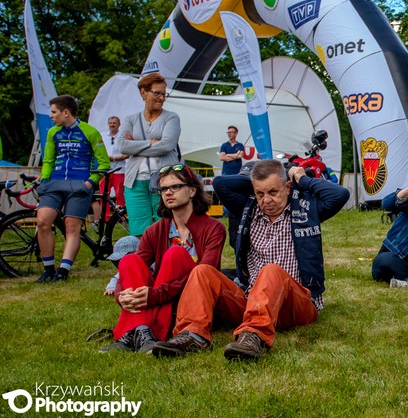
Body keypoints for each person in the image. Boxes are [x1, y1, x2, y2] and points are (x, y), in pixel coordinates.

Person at [152, 159, 349, 360]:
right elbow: (220, 183)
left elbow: (340, 195)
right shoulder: (249, 209)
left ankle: (254, 335)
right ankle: (192, 334)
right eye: (260, 193)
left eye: (273, 192)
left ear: (287, 187)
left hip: (296, 302)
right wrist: (255, 179)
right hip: (253, 301)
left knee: (271, 270)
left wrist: (299, 177)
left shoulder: (305, 209)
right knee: (202, 272)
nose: (267, 200)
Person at [100, 165, 226, 353]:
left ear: (192, 190)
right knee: (129, 261)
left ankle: (151, 331)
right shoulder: (156, 230)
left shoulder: (214, 228)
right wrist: (121, 294)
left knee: (176, 253)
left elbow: (206, 272)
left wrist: (157, 294)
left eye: (175, 187)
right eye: (164, 189)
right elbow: (132, 270)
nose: (168, 192)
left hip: (193, 300)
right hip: (159, 297)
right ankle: (139, 331)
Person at [34, 95, 110, 283]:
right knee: (43, 221)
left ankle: (63, 271)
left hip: (80, 185)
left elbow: (104, 163)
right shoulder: (53, 133)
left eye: (54, 112)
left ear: (65, 112)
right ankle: (49, 269)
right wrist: (44, 180)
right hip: (54, 184)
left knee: (72, 226)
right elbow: (49, 160)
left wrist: (89, 183)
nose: (51, 116)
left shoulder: (90, 132)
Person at [118, 73, 181, 237]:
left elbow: (167, 145)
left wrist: (135, 145)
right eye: (157, 93)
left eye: (163, 94)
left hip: (163, 180)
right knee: (139, 229)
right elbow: (122, 146)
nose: (161, 98)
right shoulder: (130, 119)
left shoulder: (171, 118)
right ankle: (146, 262)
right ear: (143, 92)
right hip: (135, 181)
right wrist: (150, 142)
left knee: (166, 227)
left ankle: (165, 261)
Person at [96, 116, 127, 222]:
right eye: (110, 123)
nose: (112, 125)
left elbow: (128, 152)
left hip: (119, 169)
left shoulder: (123, 136)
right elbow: (97, 149)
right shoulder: (102, 135)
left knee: (119, 195)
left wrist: (114, 158)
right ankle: (105, 217)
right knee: (104, 194)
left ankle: (120, 217)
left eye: (114, 123)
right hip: (105, 169)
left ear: (119, 124)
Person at [219, 125, 245, 248]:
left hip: (237, 174)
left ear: (236, 133)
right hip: (226, 174)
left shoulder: (240, 145)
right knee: (225, 196)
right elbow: (221, 157)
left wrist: (228, 156)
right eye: (228, 132)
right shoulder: (224, 145)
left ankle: (234, 214)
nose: (229, 134)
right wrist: (233, 156)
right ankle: (226, 214)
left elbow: (240, 156)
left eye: (231, 132)